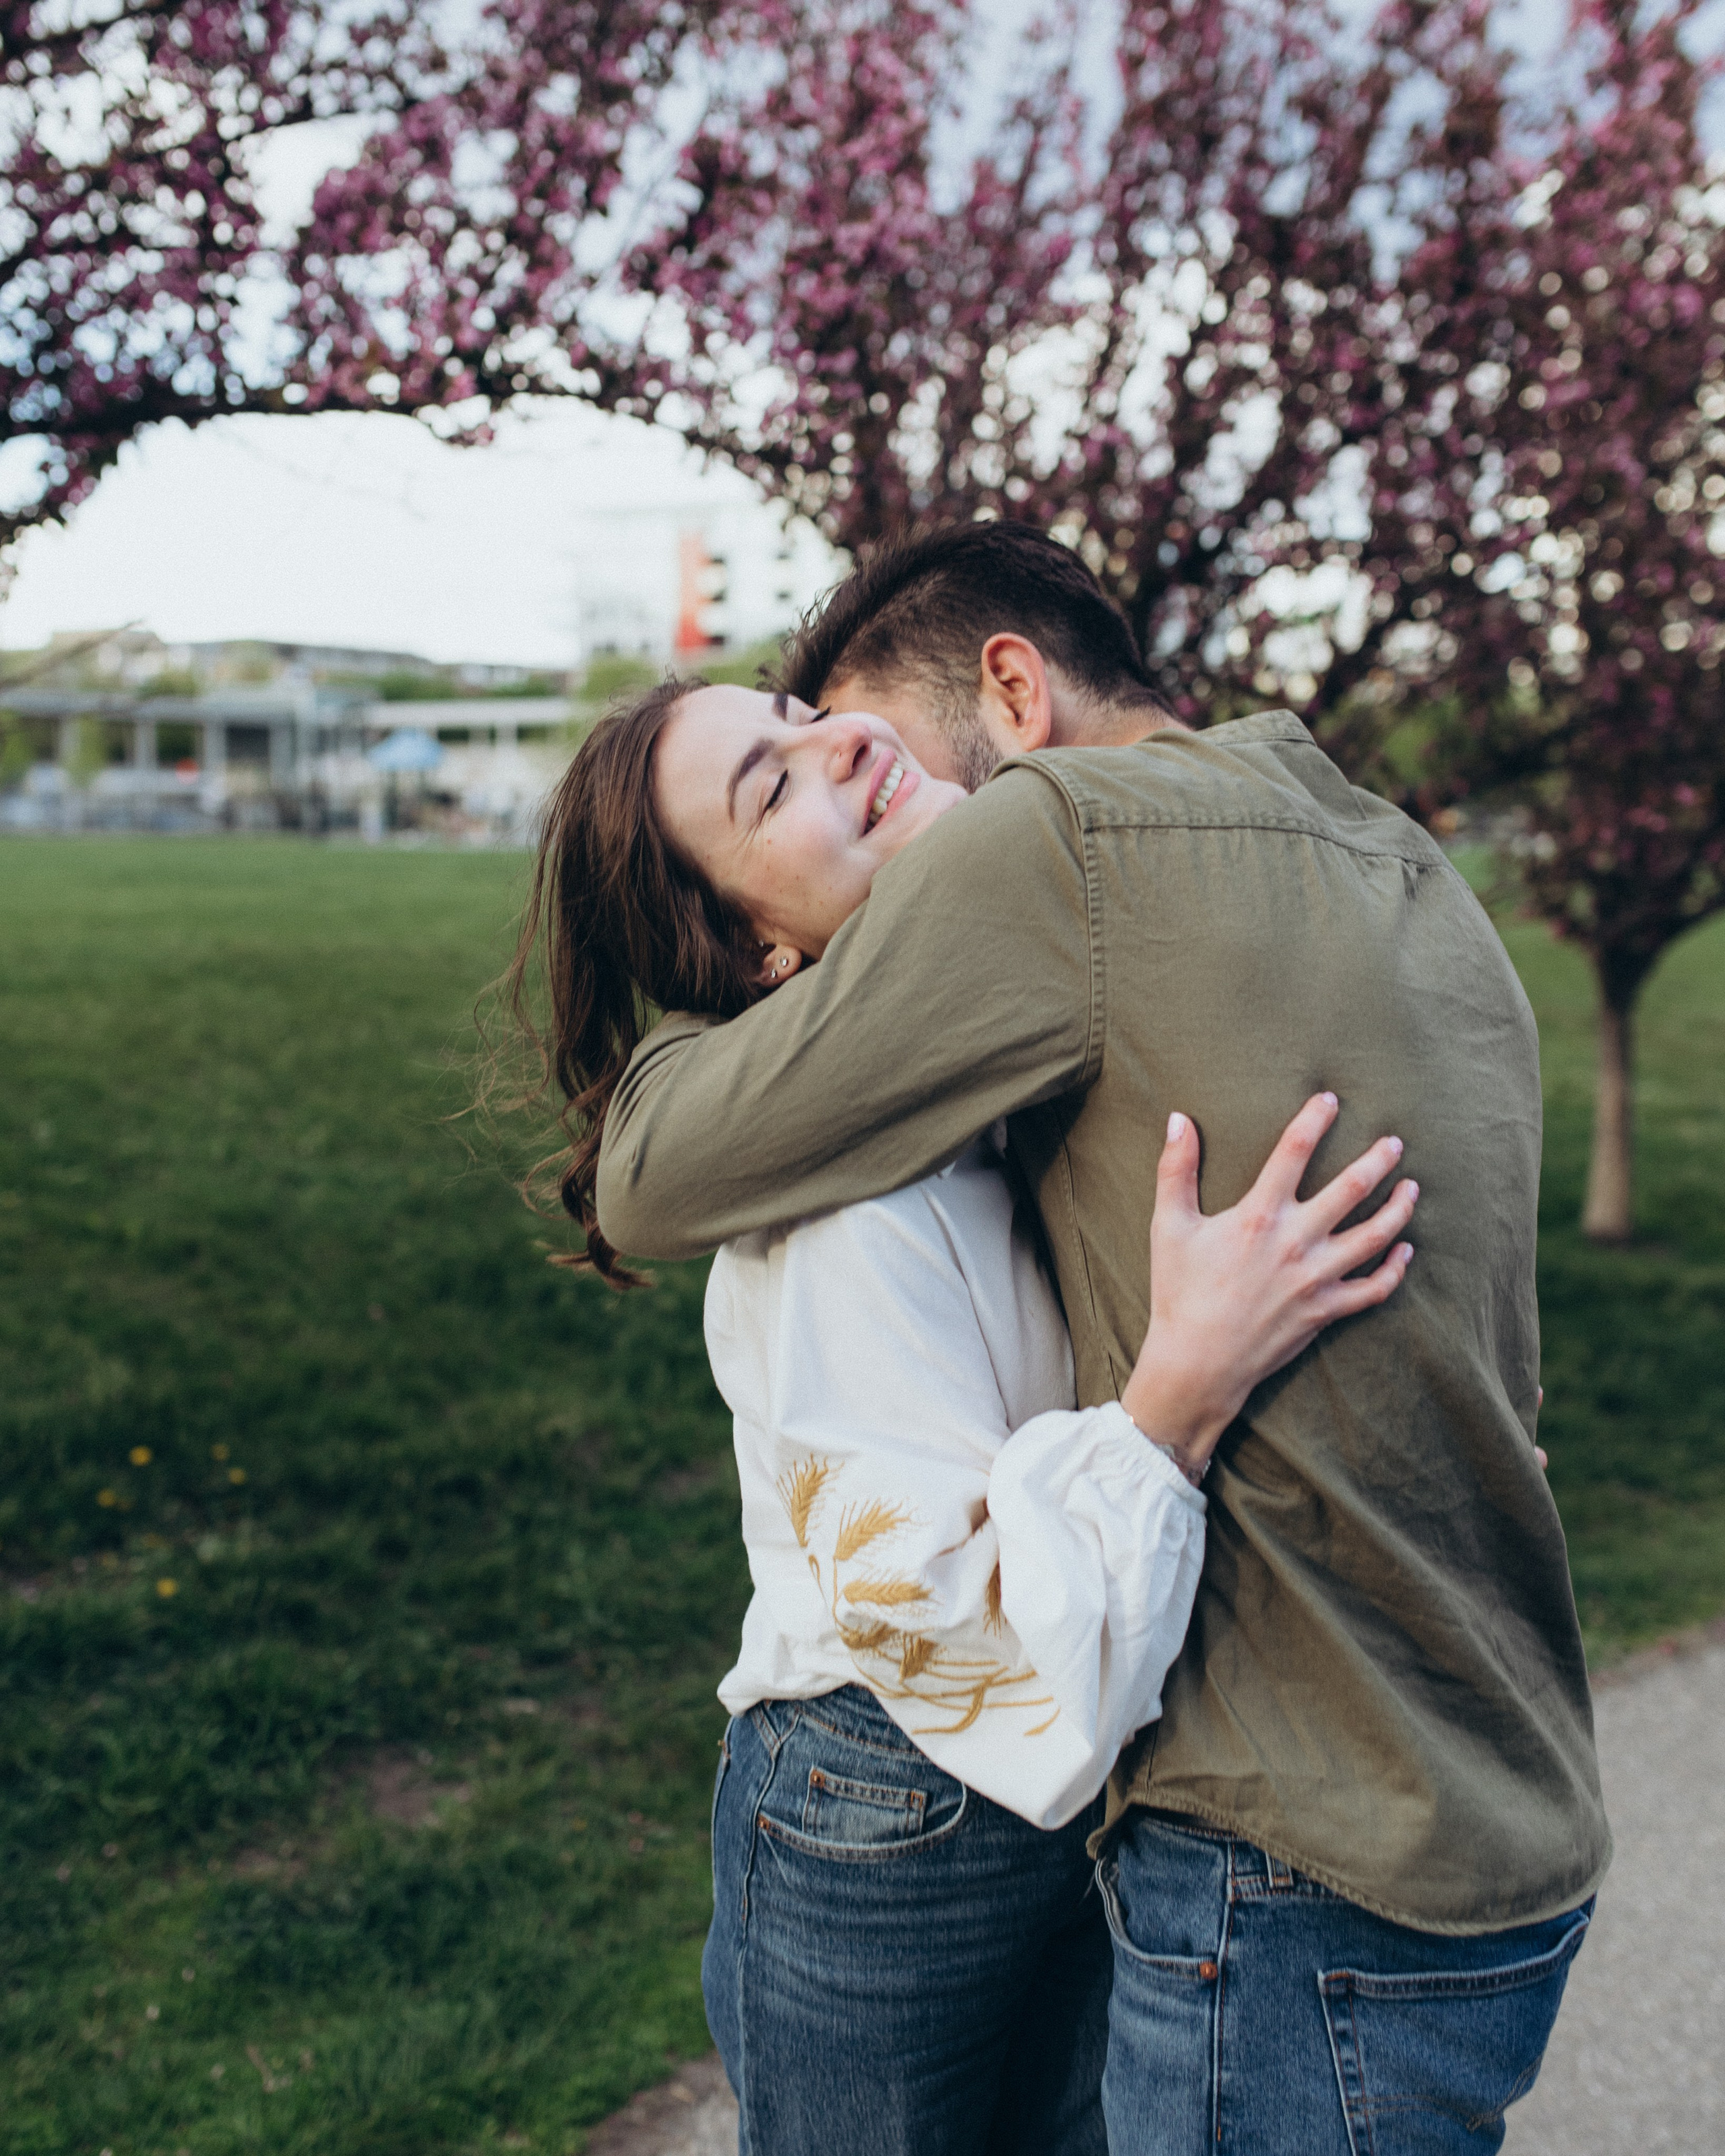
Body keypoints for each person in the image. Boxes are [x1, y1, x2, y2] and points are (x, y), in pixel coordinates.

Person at [594, 524, 1611, 2155]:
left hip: (1278, 1825)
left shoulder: (1050, 845)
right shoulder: (1391, 858)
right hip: (1477, 1784)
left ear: (1012, 694)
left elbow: (644, 1175)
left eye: (838, 725)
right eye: (779, 769)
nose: (844, 757)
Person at [507, 678, 1422, 2154]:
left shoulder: (961, 1072)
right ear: (758, 946)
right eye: (770, 785)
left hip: (1045, 1766)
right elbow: (932, 1609)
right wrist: (1179, 1393)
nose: (842, 738)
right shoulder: (840, 1214)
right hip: (888, 1797)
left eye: (797, 709)